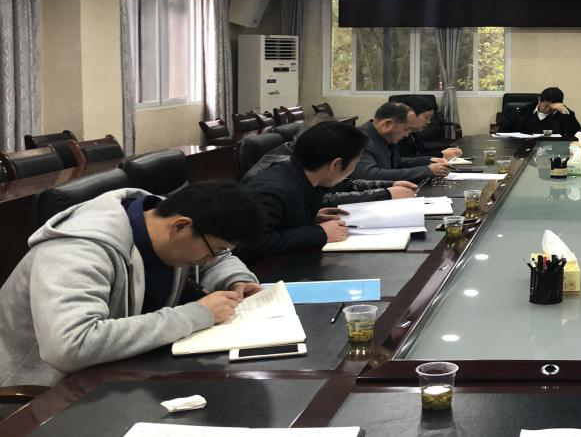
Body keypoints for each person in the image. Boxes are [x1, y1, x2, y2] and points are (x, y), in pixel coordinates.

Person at [0, 181, 264, 387]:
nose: (213, 258)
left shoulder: (162, 217)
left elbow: (218, 258)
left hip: (120, 368)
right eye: (214, 250)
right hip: (41, 388)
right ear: (180, 227)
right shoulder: (77, 250)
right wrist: (196, 315)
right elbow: (70, 346)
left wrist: (235, 278)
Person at [237, 120, 383, 263]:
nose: (353, 170)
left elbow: (278, 225)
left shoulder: (299, 175)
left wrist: (308, 219)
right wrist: (320, 233)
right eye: (355, 164)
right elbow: (246, 246)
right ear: (336, 164)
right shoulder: (273, 190)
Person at [243, 115, 420, 207]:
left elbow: (344, 185)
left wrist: (389, 185)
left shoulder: (307, 161)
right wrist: (385, 193)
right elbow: (322, 199)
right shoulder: (283, 173)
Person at [351, 101, 451, 182]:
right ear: (387, 124)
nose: (407, 135)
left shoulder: (385, 136)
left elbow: (397, 162)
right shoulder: (358, 139)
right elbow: (369, 175)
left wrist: (429, 161)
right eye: (406, 129)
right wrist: (426, 171)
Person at [391, 95, 463, 164]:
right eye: (426, 117)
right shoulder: (397, 135)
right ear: (411, 115)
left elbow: (420, 154)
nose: (429, 122)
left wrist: (444, 153)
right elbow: (403, 161)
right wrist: (441, 155)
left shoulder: (413, 134)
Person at [499, 86, 581, 137]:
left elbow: (578, 134)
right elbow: (502, 132)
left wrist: (566, 113)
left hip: (553, 152)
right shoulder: (521, 112)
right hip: (522, 150)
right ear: (539, 100)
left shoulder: (563, 114)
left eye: (552, 108)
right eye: (546, 106)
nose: (548, 110)